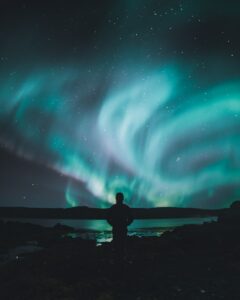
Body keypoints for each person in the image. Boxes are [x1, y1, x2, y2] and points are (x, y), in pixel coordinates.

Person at [107, 192, 133, 257]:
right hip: (121, 228)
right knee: (121, 244)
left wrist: (112, 224)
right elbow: (131, 217)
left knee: (119, 244)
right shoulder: (125, 207)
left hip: (118, 228)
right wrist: (127, 223)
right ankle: (120, 259)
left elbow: (108, 218)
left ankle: (119, 259)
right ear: (122, 199)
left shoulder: (114, 208)